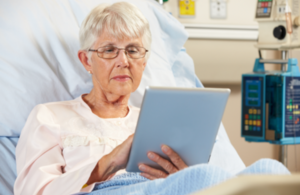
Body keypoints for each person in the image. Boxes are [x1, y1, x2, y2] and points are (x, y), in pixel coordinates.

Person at [14, 2, 189, 195]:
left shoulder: (158, 124)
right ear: (86, 60)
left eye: (132, 51)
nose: (123, 61)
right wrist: (108, 164)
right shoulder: (50, 117)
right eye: (108, 50)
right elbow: (33, 191)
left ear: (144, 63)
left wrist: (182, 178)